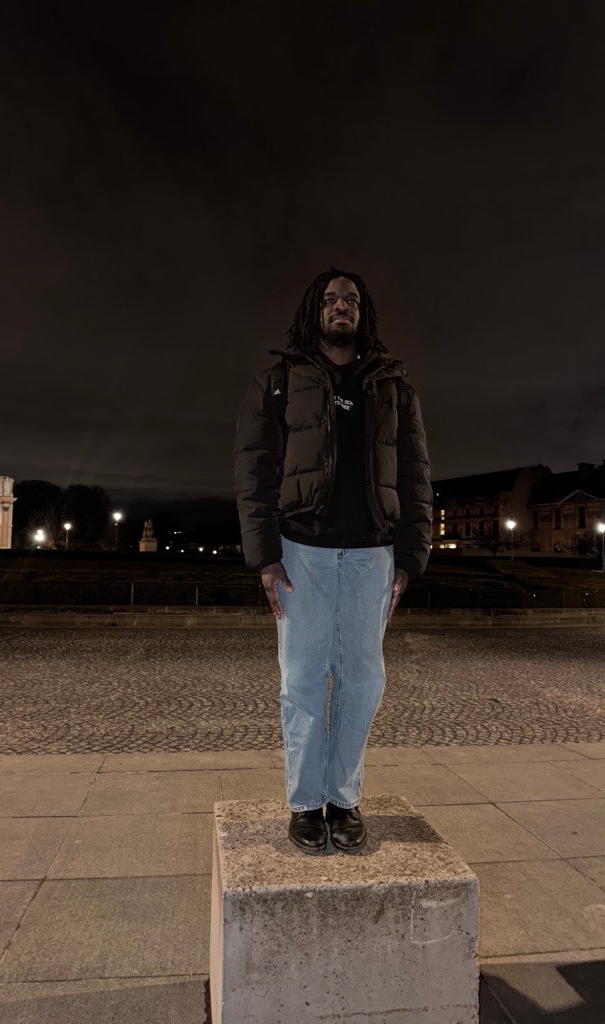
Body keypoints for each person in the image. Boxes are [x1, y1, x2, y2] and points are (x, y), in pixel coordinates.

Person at [235, 268, 432, 854]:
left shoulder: (394, 386)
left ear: (362, 312)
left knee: (362, 682)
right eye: (329, 299)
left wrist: (409, 559)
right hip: (302, 553)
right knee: (300, 681)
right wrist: (265, 558)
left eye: (350, 299)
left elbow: (416, 474)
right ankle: (304, 803)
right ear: (314, 312)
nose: (340, 306)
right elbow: (253, 472)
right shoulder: (277, 382)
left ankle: (343, 800)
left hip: (374, 555)